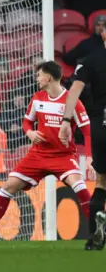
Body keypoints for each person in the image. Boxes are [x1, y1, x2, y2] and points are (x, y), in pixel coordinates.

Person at [0, 61, 93, 242]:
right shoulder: (38, 98)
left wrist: (91, 157)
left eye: (39, 75)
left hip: (63, 156)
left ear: (48, 77)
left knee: (80, 187)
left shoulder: (72, 102)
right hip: (38, 154)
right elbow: (26, 122)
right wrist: (29, 132)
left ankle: (100, 233)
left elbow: (87, 131)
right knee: (7, 187)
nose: (37, 79)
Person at [59, 31, 106, 250]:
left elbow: (74, 90)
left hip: (101, 123)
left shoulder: (90, 60)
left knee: (102, 182)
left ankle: (95, 234)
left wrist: (67, 120)